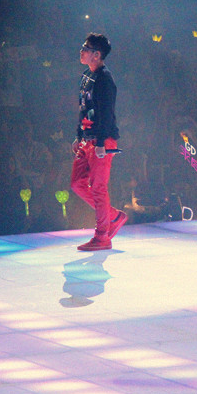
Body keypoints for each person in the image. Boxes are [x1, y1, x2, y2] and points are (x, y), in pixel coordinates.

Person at [71, 33, 127, 251]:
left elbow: (106, 114)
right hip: (87, 139)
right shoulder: (87, 76)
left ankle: (102, 236)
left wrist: (101, 142)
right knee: (78, 183)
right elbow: (83, 108)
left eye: (86, 48)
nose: (81, 51)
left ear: (96, 54)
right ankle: (113, 216)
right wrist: (79, 136)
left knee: (98, 188)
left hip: (101, 140)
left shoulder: (105, 79)